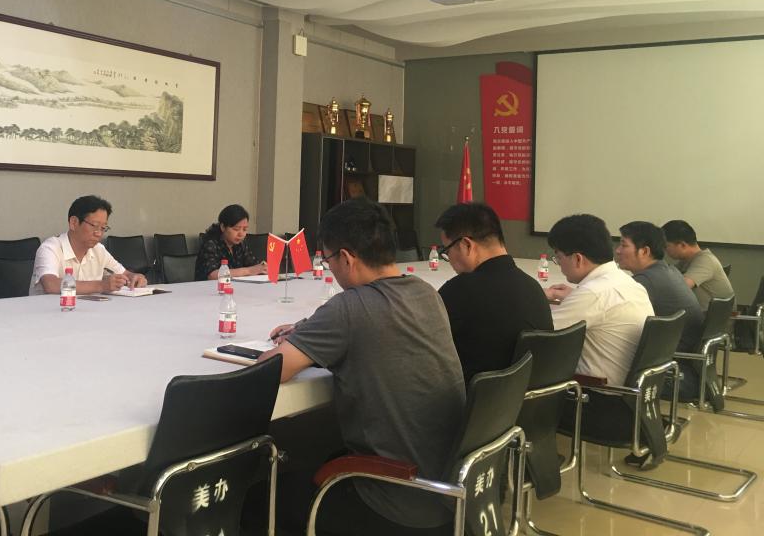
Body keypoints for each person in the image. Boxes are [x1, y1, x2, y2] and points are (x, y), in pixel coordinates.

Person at [260, 198, 464, 535]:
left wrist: (294, 344)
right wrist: (310, 330)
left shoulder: (348, 308)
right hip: (444, 493)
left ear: (346, 258)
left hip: (391, 501)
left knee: (260, 498)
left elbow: (268, 372)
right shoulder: (427, 293)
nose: (330, 268)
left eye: (328, 260)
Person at [435, 202, 552, 382]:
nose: (448, 259)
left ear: (466, 245)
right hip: (529, 395)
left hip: (474, 396)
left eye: (446, 251)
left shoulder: (459, 290)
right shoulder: (532, 287)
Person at [543, 214, 654, 385]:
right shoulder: (629, 283)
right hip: (630, 390)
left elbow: (539, 334)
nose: (559, 264)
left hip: (596, 392)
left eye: (558, 258)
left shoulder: (593, 293)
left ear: (578, 258)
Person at [616, 221, 703, 401]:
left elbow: (615, 316)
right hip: (685, 366)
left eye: (623, 245)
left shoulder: (646, 282)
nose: (617, 251)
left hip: (672, 371)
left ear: (644, 251)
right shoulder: (668, 270)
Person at [30, 195, 147, 295]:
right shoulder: (50, 248)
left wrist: (135, 277)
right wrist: (101, 285)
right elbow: (50, 284)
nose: (99, 233)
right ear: (74, 223)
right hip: (49, 312)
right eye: (94, 226)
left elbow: (124, 273)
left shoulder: (99, 250)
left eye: (103, 228)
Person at [661, 220, 734, 309]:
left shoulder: (706, 260)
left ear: (682, 245)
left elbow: (681, 287)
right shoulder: (687, 260)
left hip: (716, 316)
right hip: (705, 313)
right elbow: (668, 277)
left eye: (667, 246)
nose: (665, 250)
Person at [194, 204, 267, 282]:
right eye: (236, 229)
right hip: (209, 288)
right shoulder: (210, 244)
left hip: (234, 286)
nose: (241, 234)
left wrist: (263, 268)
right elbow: (212, 275)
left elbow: (254, 266)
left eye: (244, 229)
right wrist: (248, 271)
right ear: (223, 227)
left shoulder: (241, 245)